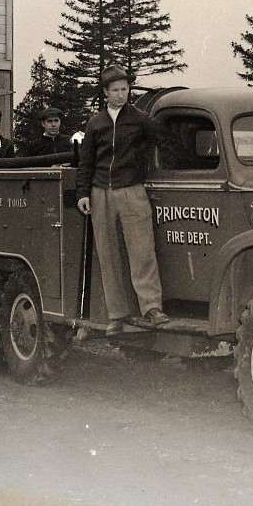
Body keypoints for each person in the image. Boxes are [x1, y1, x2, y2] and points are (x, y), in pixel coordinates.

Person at [76, 66, 170, 336]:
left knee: (142, 251)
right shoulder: (96, 123)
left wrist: (143, 167)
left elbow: (163, 142)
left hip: (132, 190)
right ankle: (117, 314)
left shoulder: (141, 119)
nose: (121, 94)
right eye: (115, 90)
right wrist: (83, 193)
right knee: (108, 254)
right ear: (106, 93)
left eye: (125, 89)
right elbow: (86, 161)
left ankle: (151, 307)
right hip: (100, 193)